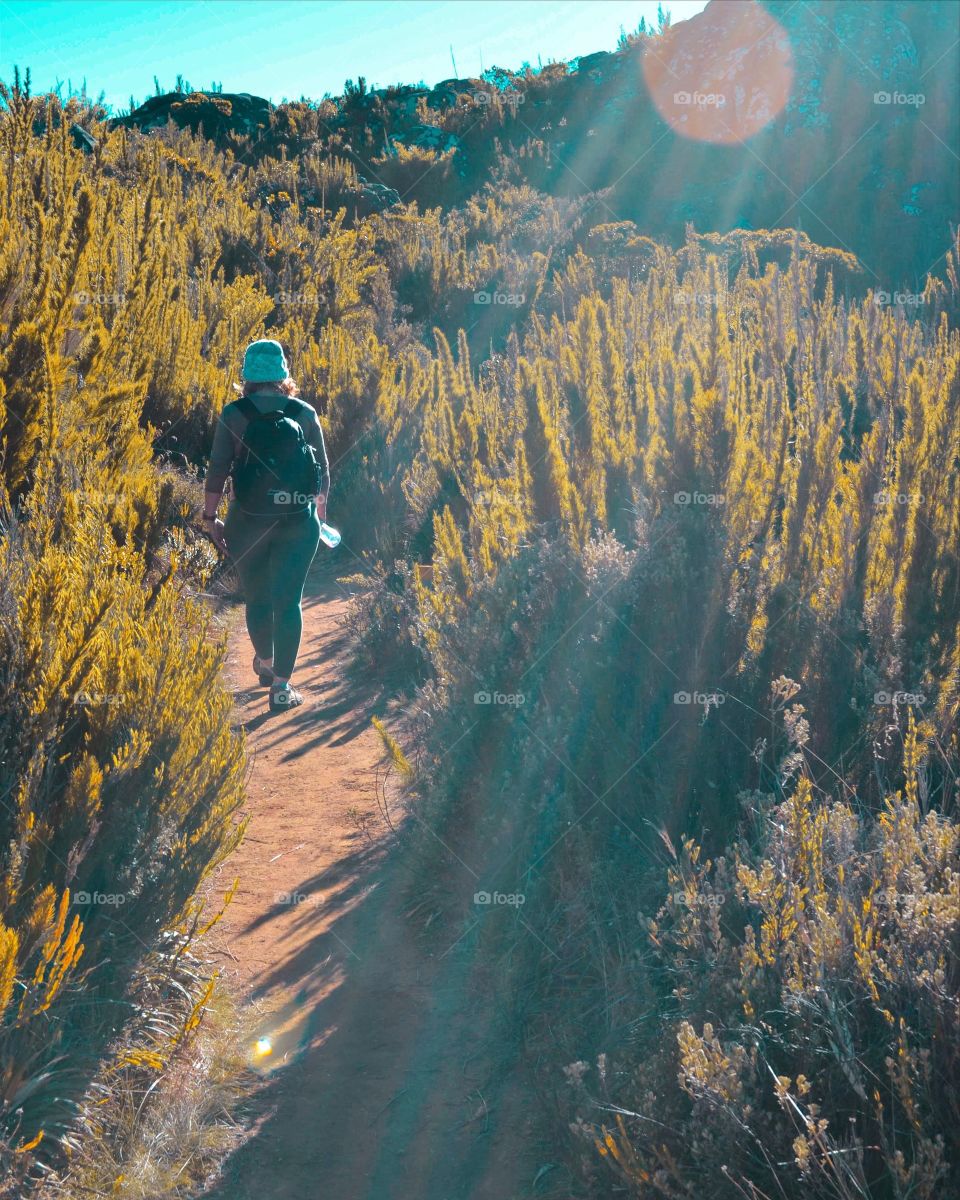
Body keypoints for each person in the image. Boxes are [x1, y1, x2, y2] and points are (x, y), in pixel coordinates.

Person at [202, 339, 330, 712]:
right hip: (297, 522)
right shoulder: (305, 413)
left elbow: (217, 470)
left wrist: (210, 518)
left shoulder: (234, 414)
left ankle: (267, 662)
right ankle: (281, 687)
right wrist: (319, 519)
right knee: (288, 602)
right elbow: (322, 474)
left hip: (247, 521)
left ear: (247, 376)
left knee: (257, 597)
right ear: (283, 374)